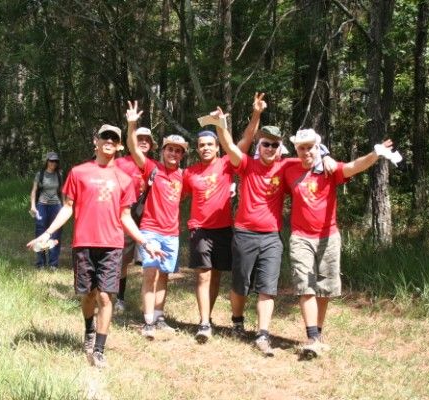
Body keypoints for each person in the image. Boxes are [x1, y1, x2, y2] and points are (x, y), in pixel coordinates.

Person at [26, 124, 163, 369]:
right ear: (96, 141)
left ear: (120, 145)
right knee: (88, 294)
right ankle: (89, 328)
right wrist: (46, 233)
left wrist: (144, 242)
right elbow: (67, 208)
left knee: (105, 296)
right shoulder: (79, 172)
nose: (109, 141)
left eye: (114, 138)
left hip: (112, 245)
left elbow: (125, 216)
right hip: (84, 243)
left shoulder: (124, 178)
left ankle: (99, 348)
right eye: (104, 137)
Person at [213, 107, 335, 356]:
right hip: (244, 233)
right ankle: (237, 322)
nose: (270, 149)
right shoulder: (247, 164)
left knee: (267, 288)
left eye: (274, 145)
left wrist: (327, 154)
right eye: (266, 144)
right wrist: (221, 125)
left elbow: (310, 153)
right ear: (260, 145)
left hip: (271, 237)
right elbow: (229, 147)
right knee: (240, 285)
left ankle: (263, 334)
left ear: (281, 148)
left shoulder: (287, 166)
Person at [283, 129, 395, 360]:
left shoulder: (329, 168)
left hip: (328, 237)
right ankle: (312, 337)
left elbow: (354, 166)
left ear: (318, 147)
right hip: (301, 237)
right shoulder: (289, 167)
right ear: (296, 149)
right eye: (301, 148)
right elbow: (266, 164)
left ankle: (318, 334)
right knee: (306, 286)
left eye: (311, 147)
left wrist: (375, 154)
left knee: (324, 288)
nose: (306, 152)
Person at [182, 93, 266, 343]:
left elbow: (247, 138)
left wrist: (256, 114)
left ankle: (208, 318)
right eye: (201, 146)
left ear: (217, 147)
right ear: (197, 150)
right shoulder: (190, 173)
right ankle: (204, 322)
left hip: (224, 228)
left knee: (216, 274)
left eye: (210, 145)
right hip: (199, 229)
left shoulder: (227, 164)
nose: (206, 148)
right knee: (203, 274)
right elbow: (175, 195)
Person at [125, 100, 188, 340]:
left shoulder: (183, 176)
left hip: (171, 233)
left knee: (164, 275)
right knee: (150, 274)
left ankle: (159, 317)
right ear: (162, 151)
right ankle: (148, 321)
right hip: (150, 230)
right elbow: (133, 148)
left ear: (182, 155)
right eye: (169, 149)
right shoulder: (152, 168)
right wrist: (132, 125)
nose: (173, 153)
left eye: (178, 150)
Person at [114, 127, 157, 313]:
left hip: (148, 218)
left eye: (148, 139)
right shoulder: (120, 163)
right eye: (140, 138)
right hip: (125, 215)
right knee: (122, 260)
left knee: (149, 262)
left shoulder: (155, 165)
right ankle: (119, 298)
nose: (144, 141)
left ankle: (149, 306)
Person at [29, 151, 63, 271]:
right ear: (47, 161)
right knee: (40, 232)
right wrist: (33, 206)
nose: (53, 163)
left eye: (55, 161)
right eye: (51, 161)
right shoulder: (40, 174)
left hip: (56, 206)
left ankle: (53, 263)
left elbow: (62, 191)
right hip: (42, 205)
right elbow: (34, 191)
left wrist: (64, 207)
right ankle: (41, 263)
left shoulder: (59, 174)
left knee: (55, 233)